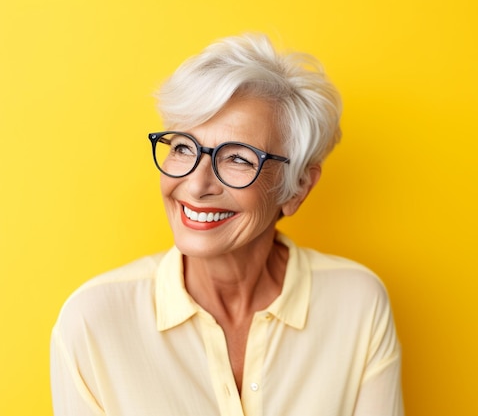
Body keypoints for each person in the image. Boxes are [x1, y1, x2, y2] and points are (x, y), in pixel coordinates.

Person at [50, 33, 404, 416]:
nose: (197, 185)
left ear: (296, 188)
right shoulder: (92, 322)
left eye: (237, 158)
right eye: (183, 147)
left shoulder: (357, 303)